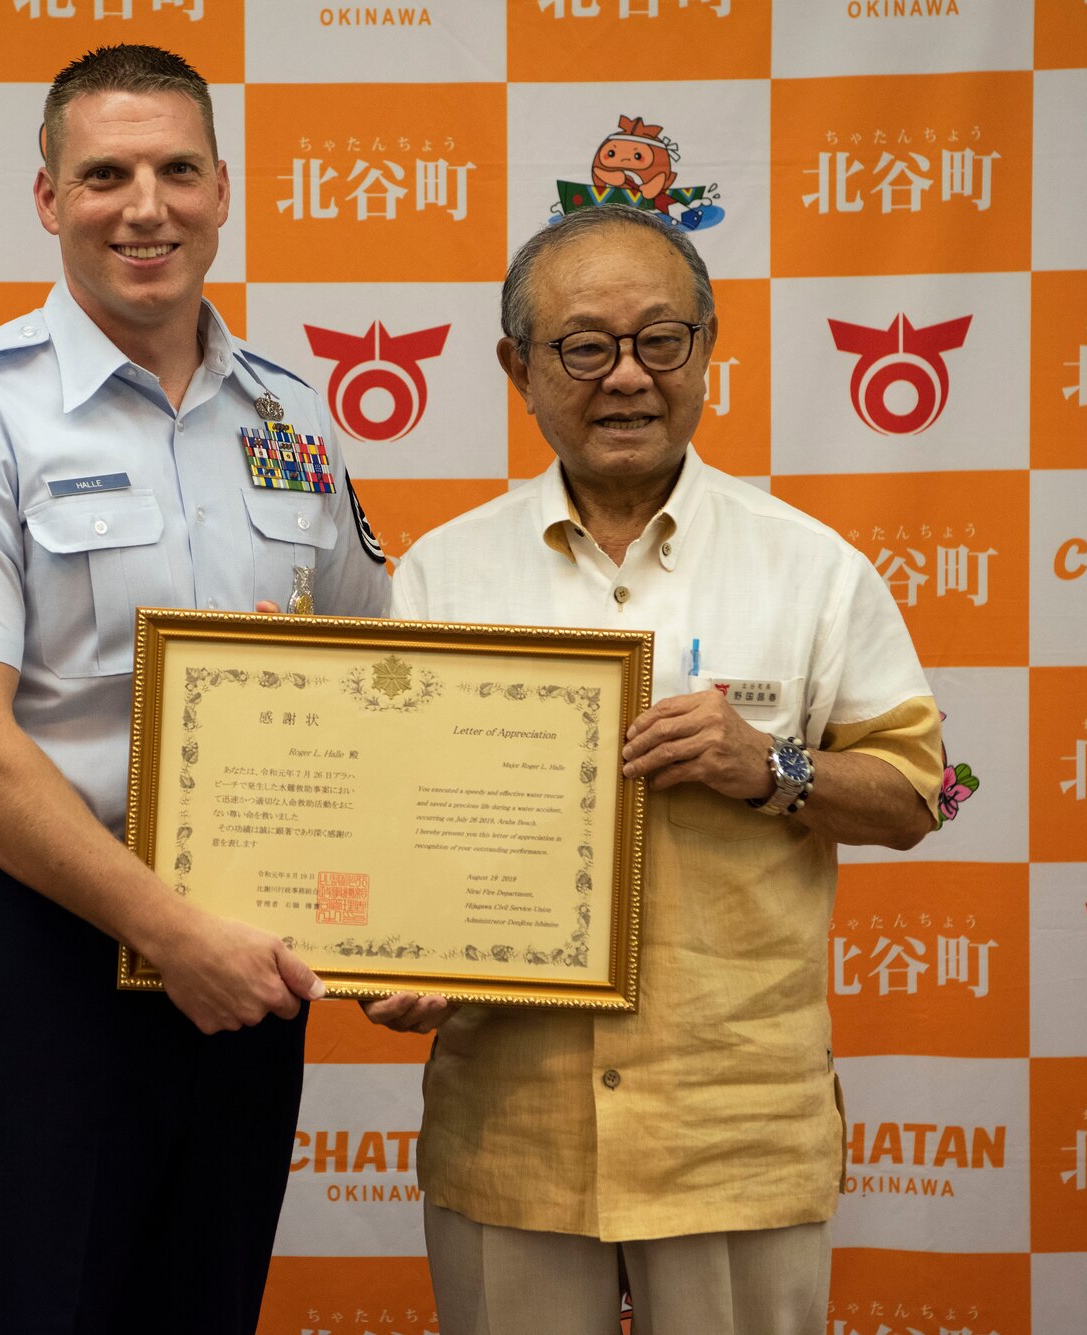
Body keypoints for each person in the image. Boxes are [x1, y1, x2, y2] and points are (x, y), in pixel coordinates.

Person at [0, 44, 391, 1335]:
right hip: (57, 959)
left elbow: (379, 694)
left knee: (201, 1307)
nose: (143, 206)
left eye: (176, 171)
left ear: (223, 190)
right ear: (48, 198)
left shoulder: (295, 418)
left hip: (250, 964)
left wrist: (394, 937)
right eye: (105, 174)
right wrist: (169, 931)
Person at [364, 206, 943, 1335]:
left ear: (707, 354)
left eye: (659, 341)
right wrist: (394, 957)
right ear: (516, 368)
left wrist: (768, 765)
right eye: (583, 346)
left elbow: (918, 792)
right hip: (510, 1131)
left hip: (729, 1131)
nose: (625, 377)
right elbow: (392, 831)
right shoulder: (440, 574)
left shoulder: (811, 567)